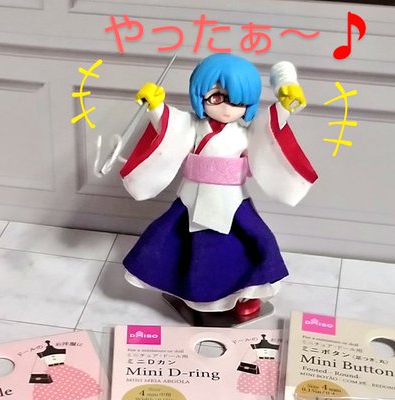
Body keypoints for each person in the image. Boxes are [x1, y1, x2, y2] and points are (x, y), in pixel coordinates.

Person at [120, 54, 317, 318]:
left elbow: (270, 128)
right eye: (216, 97)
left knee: (251, 245)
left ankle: (247, 294)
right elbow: (170, 126)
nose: (226, 108)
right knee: (178, 245)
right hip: (192, 198)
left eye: (238, 101)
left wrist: (285, 103)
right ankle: (183, 289)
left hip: (232, 200)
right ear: (200, 95)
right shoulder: (193, 126)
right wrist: (155, 105)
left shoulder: (245, 132)